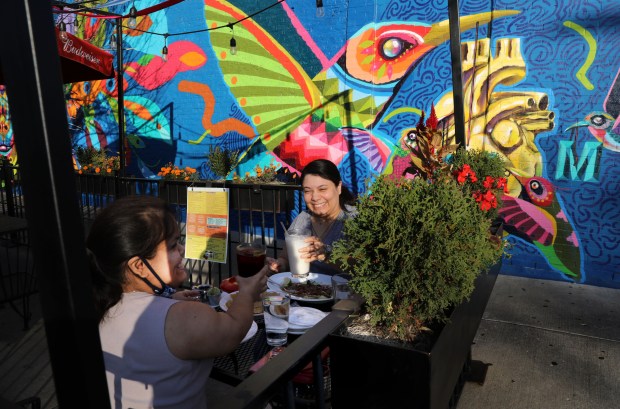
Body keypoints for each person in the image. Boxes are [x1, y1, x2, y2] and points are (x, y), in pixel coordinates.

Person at [87, 195, 267, 408]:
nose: (182, 249)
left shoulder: (99, 304)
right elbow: (234, 330)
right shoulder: (182, 317)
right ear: (139, 266)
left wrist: (167, 298)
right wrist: (247, 292)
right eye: (173, 245)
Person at [268, 159, 357, 276]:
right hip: (306, 291)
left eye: (322, 189)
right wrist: (278, 265)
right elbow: (286, 258)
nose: (314, 197)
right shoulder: (303, 219)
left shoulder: (354, 219)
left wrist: (327, 254)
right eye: (307, 191)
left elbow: (364, 265)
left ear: (338, 187)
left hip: (345, 293)